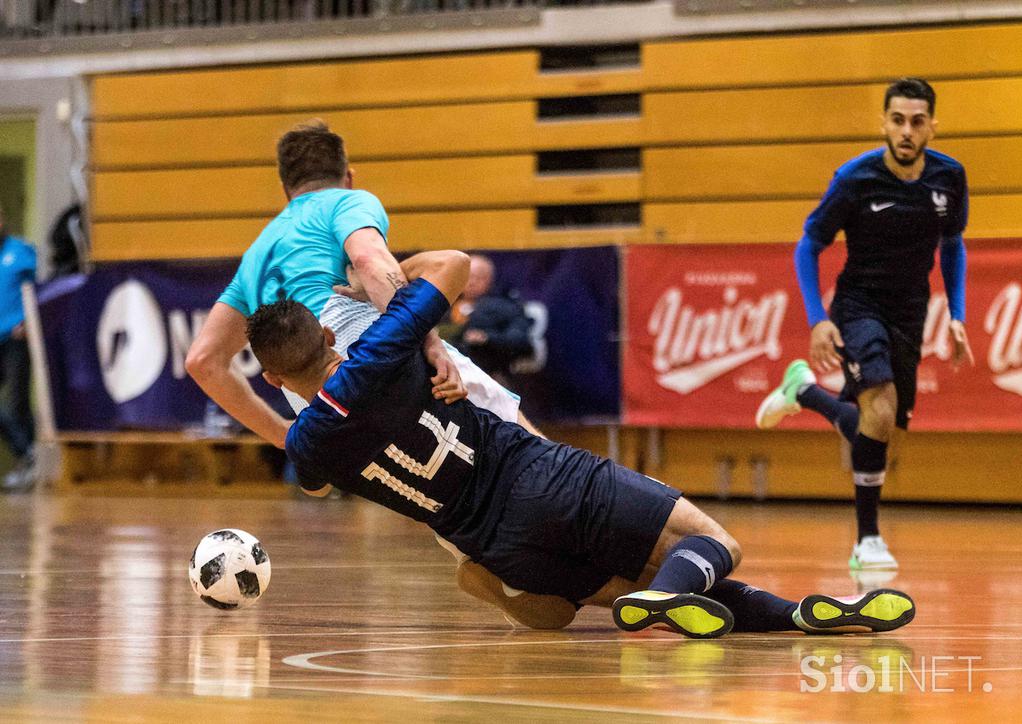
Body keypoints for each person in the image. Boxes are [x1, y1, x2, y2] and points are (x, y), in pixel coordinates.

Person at [248, 248, 917, 637]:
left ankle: (803, 616)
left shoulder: (308, 444)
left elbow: (312, 479)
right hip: (534, 474)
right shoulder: (380, 348)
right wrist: (373, 271)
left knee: (661, 589)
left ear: (275, 376)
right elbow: (452, 265)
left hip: (495, 544)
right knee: (715, 544)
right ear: (332, 336)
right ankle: (664, 599)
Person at [185, 119, 548, 624]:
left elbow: (202, 361)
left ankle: (495, 564)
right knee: (518, 439)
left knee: (421, 477)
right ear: (347, 174)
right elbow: (374, 264)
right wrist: (432, 342)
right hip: (355, 340)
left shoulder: (259, 250)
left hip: (308, 392)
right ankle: (580, 519)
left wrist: (290, 437)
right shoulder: (345, 202)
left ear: (285, 187)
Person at [755, 78, 972, 571]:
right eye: (897, 120)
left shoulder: (949, 177)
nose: (906, 130)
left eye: (917, 121)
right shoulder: (855, 178)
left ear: (932, 127)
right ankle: (867, 541)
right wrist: (816, 320)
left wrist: (957, 314)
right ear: (884, 123)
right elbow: (809, 244)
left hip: (911, 309)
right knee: (879, 411)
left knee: (882, 425)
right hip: (858, 305)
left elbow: (953, 243)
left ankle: (804, 392)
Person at [443, 254, 534, 386]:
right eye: (467, 276)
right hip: (446, 378)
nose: (471, 282)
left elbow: (521, 341)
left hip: (489, 379)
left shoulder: (505, 307)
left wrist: (487, 338)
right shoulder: (443, 307)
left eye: (478, 277)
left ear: (490, 279)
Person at [0, 203, 37, 491]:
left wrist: (26, 321)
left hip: (15, 339)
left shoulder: (20, 251)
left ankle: (29, 462)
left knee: (17, 401)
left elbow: (36, 290)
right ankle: (26, 452)